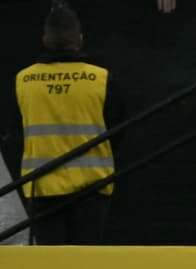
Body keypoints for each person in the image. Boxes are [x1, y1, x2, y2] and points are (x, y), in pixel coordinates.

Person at [2, 4, 123, 244]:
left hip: (42, 188)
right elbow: (118, 129)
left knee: (51, 266)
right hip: (92, 189)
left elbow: (13, 134)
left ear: (45, 39)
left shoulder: (24, 80)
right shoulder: (100, 79)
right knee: (85, 264)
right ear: (79, 39)